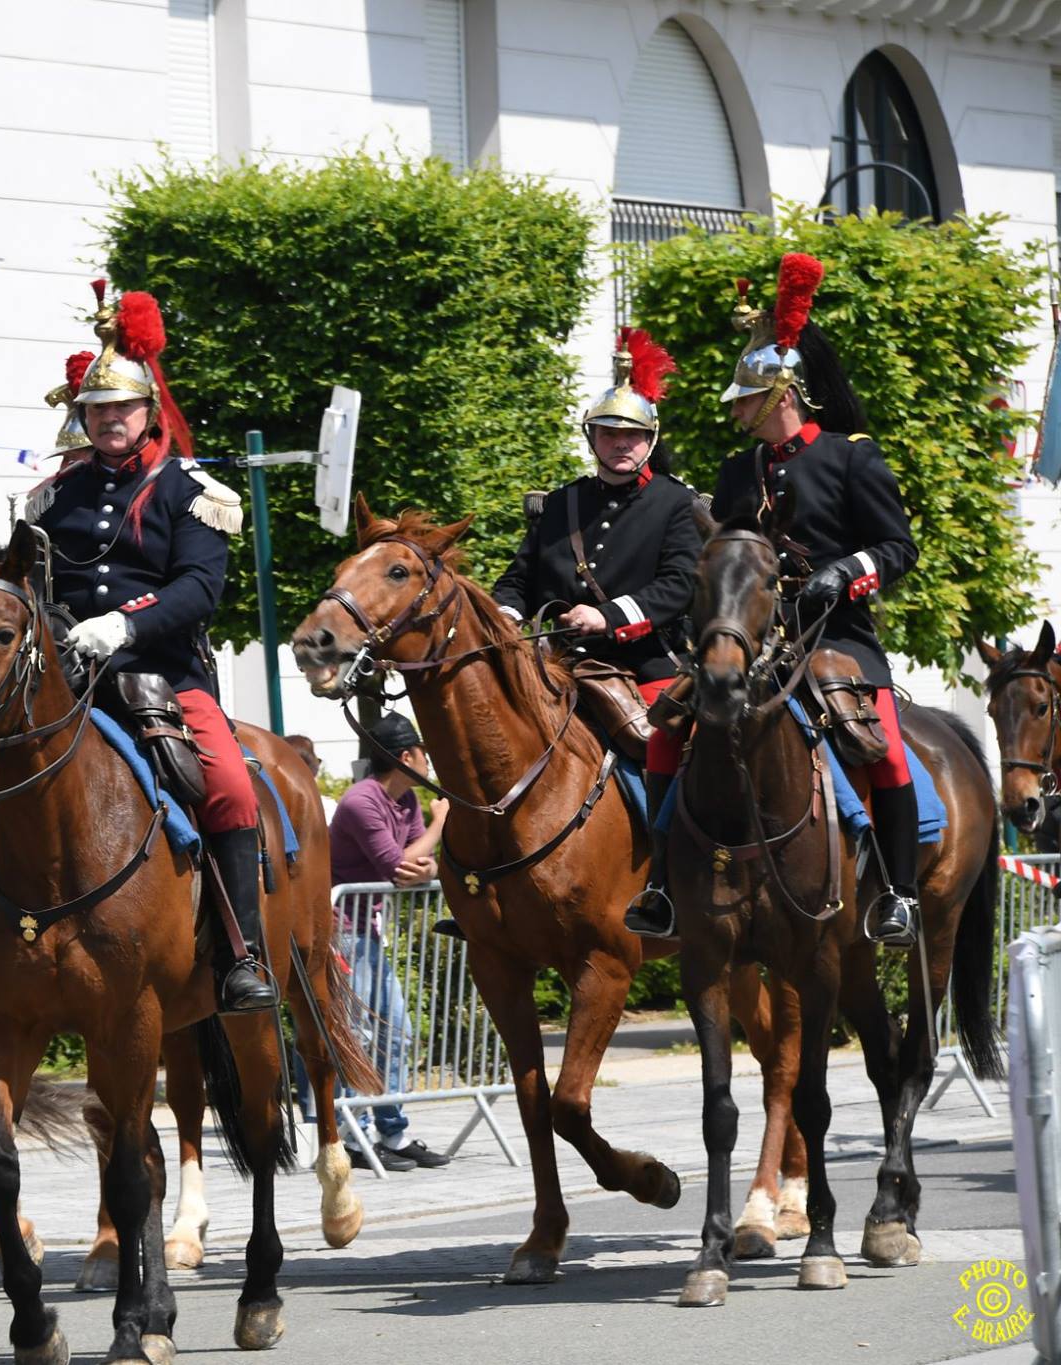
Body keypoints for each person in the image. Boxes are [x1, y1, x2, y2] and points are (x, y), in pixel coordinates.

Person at [0, 284, 277, 1014]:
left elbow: (198, 590)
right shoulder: (54, 499)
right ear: (82, 417)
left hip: (162, 677)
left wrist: (123, 625)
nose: (110, 420)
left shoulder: (190, 491)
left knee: (232, 789)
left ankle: (244, 957)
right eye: (97, 411)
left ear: (148, 411)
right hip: (62, 682)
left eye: (122, 408)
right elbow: (30, 591)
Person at [707, 252, 920, 946]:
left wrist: (846, 570)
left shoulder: (850, 455)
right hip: (754, 634)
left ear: (780, 395)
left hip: (837, 632)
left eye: (744, 397)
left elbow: (898, 548)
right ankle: (669, 880)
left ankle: (898, 892)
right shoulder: (738, 471)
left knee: (882, 751)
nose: (737, 409)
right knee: (684, 728)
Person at [490, 329, 702, 938]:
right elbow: (520, 577)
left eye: (632, 436)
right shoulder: (563, 505)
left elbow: (679, 586)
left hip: (646, 662)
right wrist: (503, 616)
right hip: (557, 662)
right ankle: (485, 881)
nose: (620, 445)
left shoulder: (676, 505)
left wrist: (608, 617)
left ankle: (667, 880)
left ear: (650, 441)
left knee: (672, 744)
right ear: (592, 439)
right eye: (609, 434)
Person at [328, 711, 451, 1171]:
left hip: (369, 931)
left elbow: (418, 868)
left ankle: (393, 1133)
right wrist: (439, 826)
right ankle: (353, 1137)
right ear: (406, 756)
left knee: (396, 1034)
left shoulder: (408, 801)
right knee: (359, 1036)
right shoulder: (361, 801)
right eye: (423, 752)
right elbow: (396, 865)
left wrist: (420, 864)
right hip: (342, 930)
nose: (428, 760)